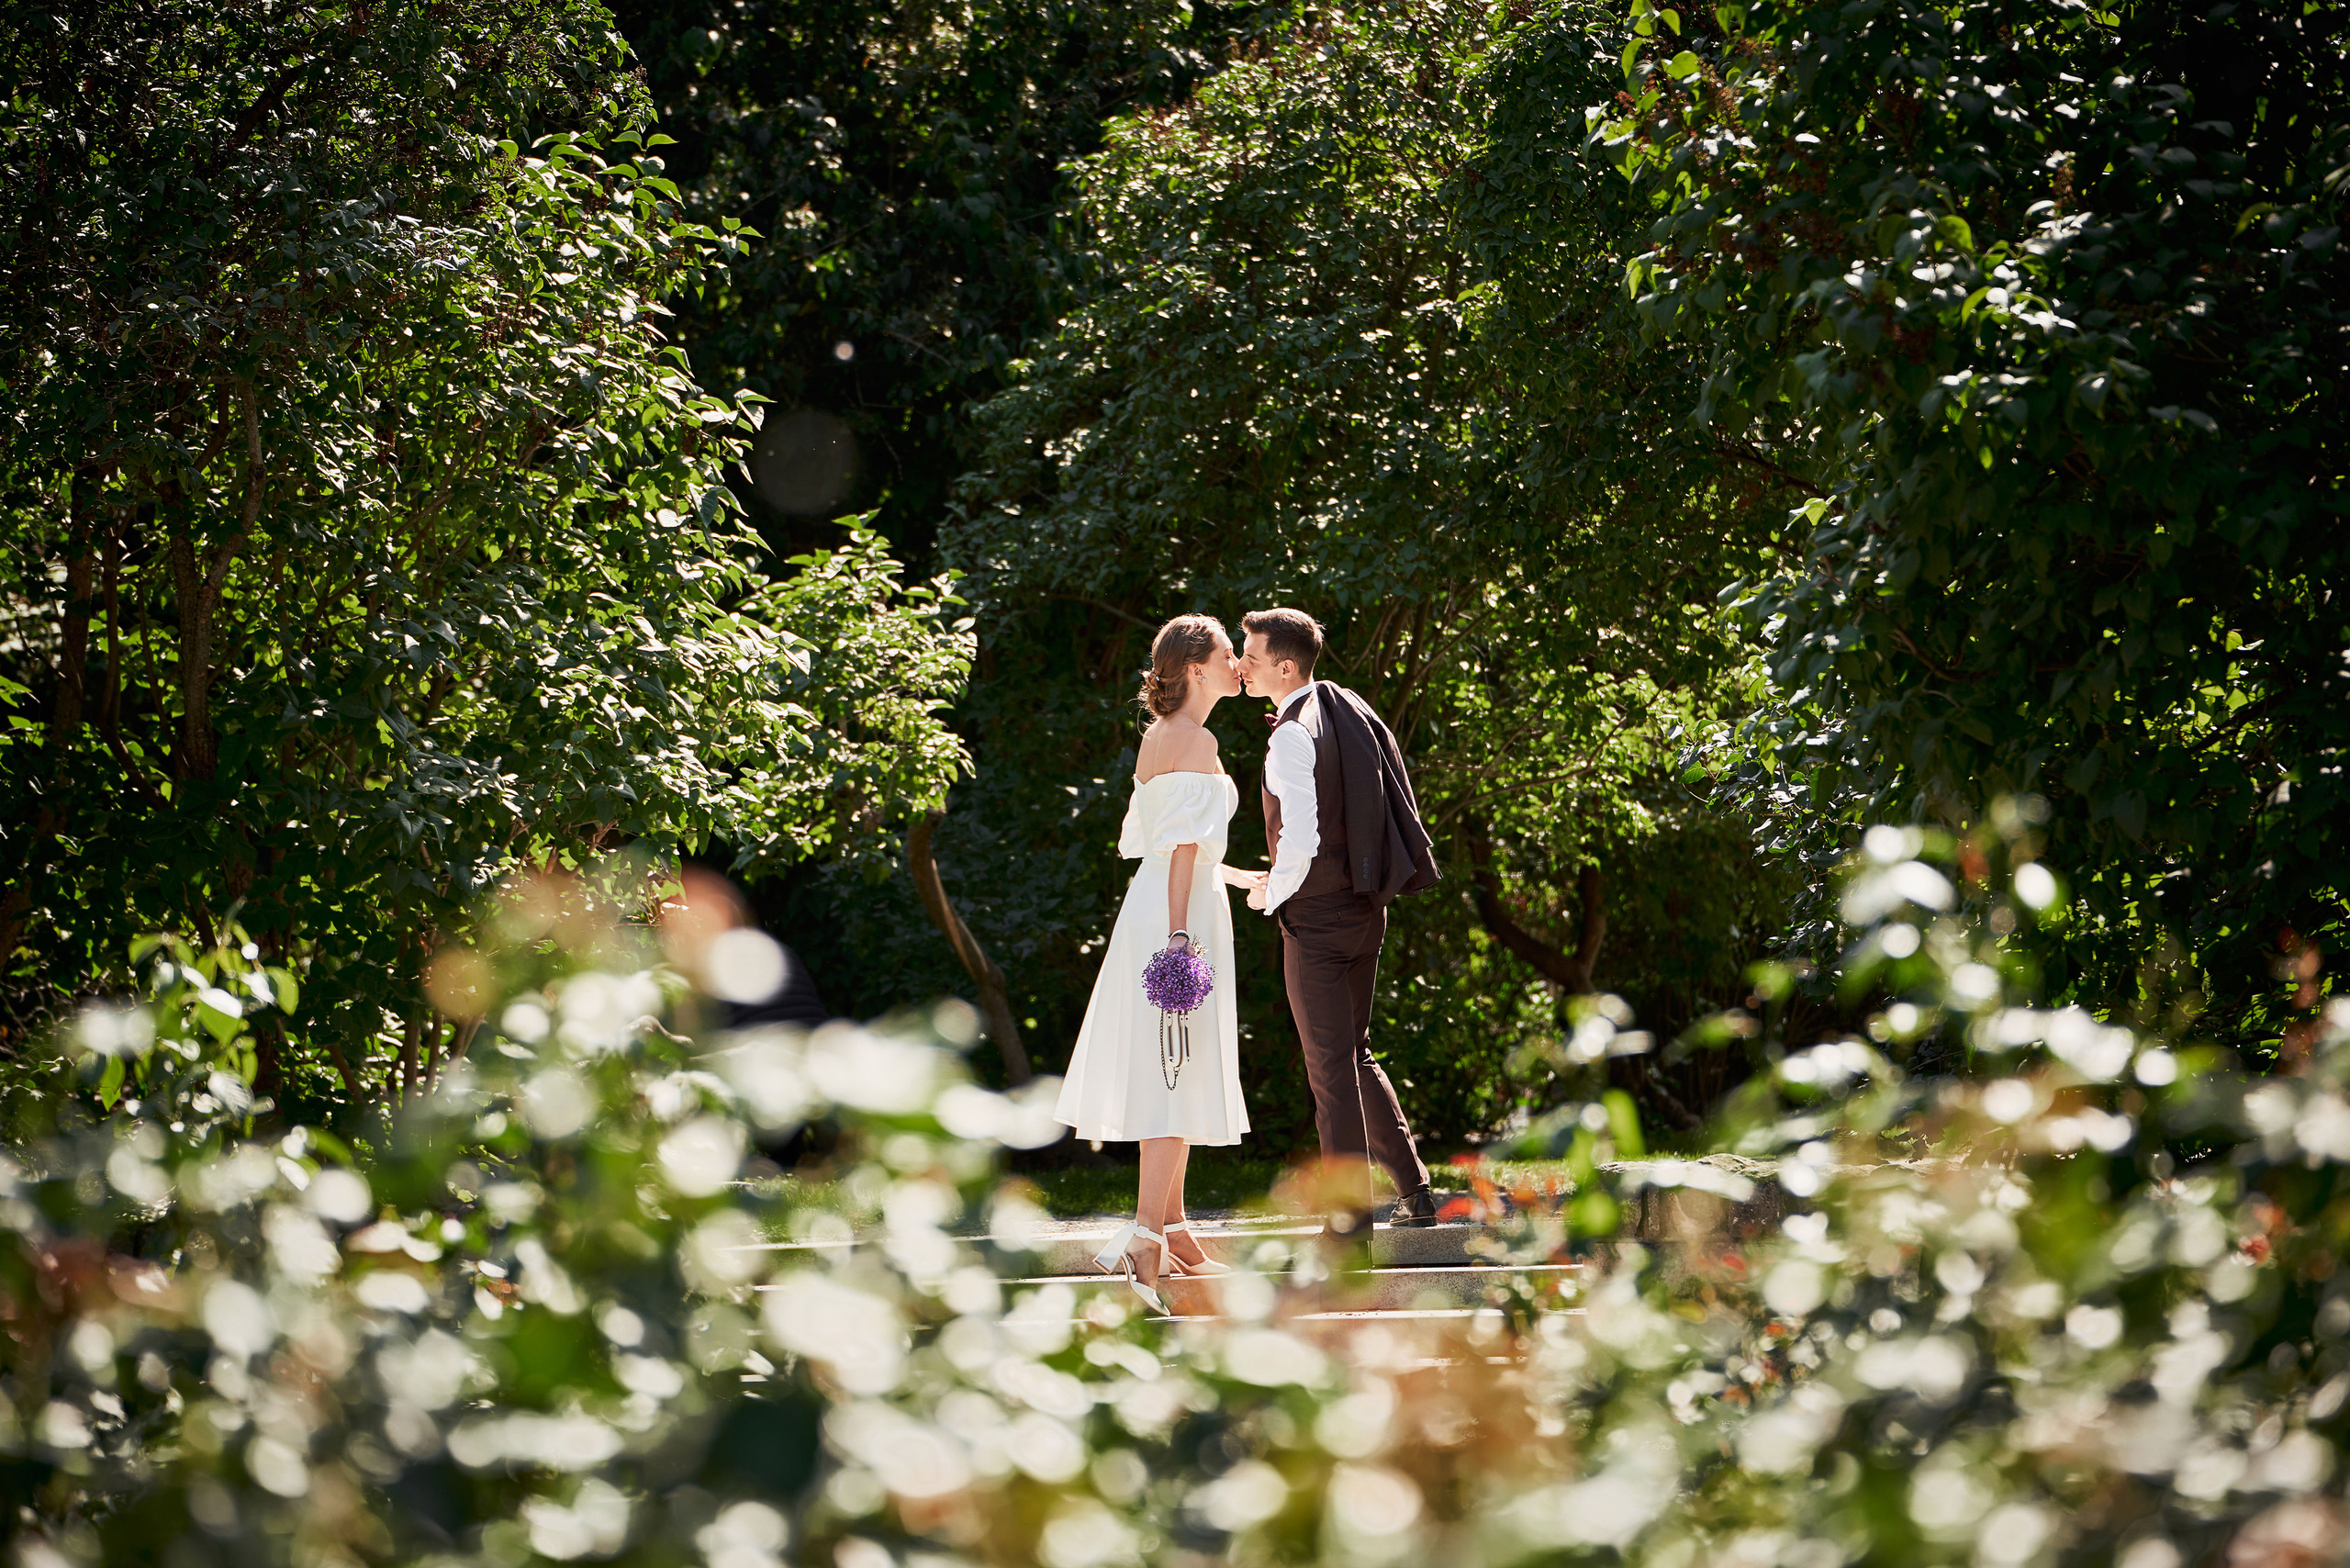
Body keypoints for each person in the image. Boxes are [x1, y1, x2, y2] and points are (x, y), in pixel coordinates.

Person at [1054, 614, 1267, 1311]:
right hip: (1174, 919)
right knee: (1174, 1069)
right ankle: (1145, 1243)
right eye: (1230, 653)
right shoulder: (1194, 738)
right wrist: (1180, 938)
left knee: (1177, 1063)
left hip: (1171, 903)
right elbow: (1176, 851)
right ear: (1198, 667)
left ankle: (1174, 1227)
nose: (1241, 663)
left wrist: (1237, 881)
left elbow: (1184, 848)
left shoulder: (1163, 736)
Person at [1237, 607, 1443, 1232]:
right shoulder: (1342, 706)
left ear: (1285, 665)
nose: (1242, 667)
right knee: (1356, 1057)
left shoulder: (1291, 734)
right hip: (1363, 909)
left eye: (1250, 656)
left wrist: (1273, 896)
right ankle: (1418, 1193)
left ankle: (1349, 1232)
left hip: (1318, 924)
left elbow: (1302, 839)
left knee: (1331, 1076)